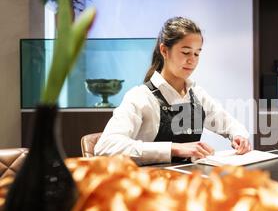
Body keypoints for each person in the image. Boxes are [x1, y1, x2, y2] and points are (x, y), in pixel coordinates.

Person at [94, 17, 251, 164]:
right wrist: (174, 148)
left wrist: (239, 136)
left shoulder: (197, 95)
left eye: (197, 53)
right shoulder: (140, 97)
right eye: (186, 52)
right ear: (164, 50)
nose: (192, 60)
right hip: (150, 186)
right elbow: (105, 146)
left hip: (189, 182)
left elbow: (228, 123)